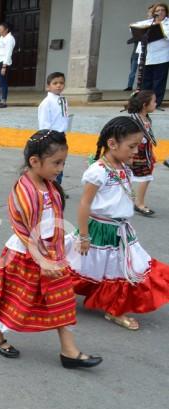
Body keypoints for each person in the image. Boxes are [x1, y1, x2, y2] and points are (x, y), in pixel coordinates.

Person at [0, 130, 102, 368]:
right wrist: (42, 260)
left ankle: (69, 351)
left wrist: (57, 253)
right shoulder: (24, 191)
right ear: (34, 161)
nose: (60, 168)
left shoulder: (48, 185)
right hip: (27, 255)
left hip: (50, 253)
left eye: (63, 162)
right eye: (56, 163)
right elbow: (23, 230)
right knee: (17, 301)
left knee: (63, 299)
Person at [66, 116, 169, 331]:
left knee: (123, 268)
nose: (135, 151)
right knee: (111, 269)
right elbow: (85, 204)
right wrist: (84, 236)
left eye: (137, 146)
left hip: (121, 230)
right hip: (101, 230)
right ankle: (115, 310)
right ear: (112, 144)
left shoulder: (123, 166)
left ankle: (113, 307)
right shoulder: (98, 172)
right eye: (131, 146)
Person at [125, 90, 158, 216]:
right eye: (154, 101)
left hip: (145, 152)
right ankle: (139, 204)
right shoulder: (134, 120)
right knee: (144, 177)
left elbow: (148, 137)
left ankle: (134, 201)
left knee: (138, 176)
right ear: (145, 105)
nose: (156, 103)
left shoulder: (146, 119)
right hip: (136, 152)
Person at [38, 72, 69, 185]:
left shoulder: (63, 100)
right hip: (51, 137)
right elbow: (43, 123)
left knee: (60, 163)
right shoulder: (46, 103)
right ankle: (50, 187)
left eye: (61, 83)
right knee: (52, 163)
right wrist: (47, 139)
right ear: (48, 86)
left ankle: (57, 187)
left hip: (62, 136)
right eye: (55, 83)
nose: (58, 85)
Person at [137, 3, 169, 107]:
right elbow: (133, 29)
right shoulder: (148, 22)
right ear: (154, 12)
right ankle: (144, 103)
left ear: (166, 12)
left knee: (158, 82)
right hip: (146, 56)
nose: (160, 12)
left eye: (163, 10)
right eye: (158, 10)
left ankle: (156, 103)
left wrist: (161, 32)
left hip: (162, 57)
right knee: (145, 81)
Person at [0, 22, 16, 108]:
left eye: (0, 29)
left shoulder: (10, 39)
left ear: (6, 30)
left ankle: (3, 101)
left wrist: (4, 66)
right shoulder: (1, 38)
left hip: (3, 63)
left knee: (2, 82)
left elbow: (8, 53)